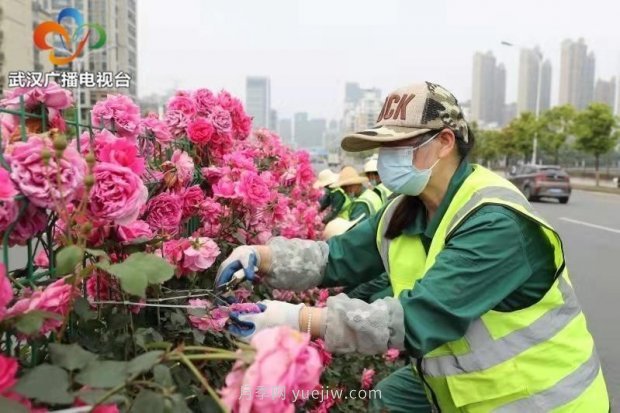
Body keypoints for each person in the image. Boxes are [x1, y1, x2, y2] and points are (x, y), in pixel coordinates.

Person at [215, 82, 609, 412]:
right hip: (458, 386)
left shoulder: (495, 221)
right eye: (384, 147)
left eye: (399, 146)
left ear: (444, 142)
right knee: (387, 399)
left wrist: (298, 320)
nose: (386, 159)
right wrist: (260, 256)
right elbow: (336, 257)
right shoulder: (405, 210)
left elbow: (420, 317)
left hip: (539, 398)